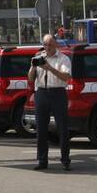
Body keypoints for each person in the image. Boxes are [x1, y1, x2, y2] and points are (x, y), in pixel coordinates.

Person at [27, 34, 72, 171]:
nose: (47, 48)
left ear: (56, 45)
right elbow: (30, 78)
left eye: (50, 45)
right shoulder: (39, 57)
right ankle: (42, 160)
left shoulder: (63, 58)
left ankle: (65, 160)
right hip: (41, 92)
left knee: (62, 127)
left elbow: (66, 77)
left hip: (58, 92)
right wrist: (33, 67)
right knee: (41, 128)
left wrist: (49, 68)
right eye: (45, 45)